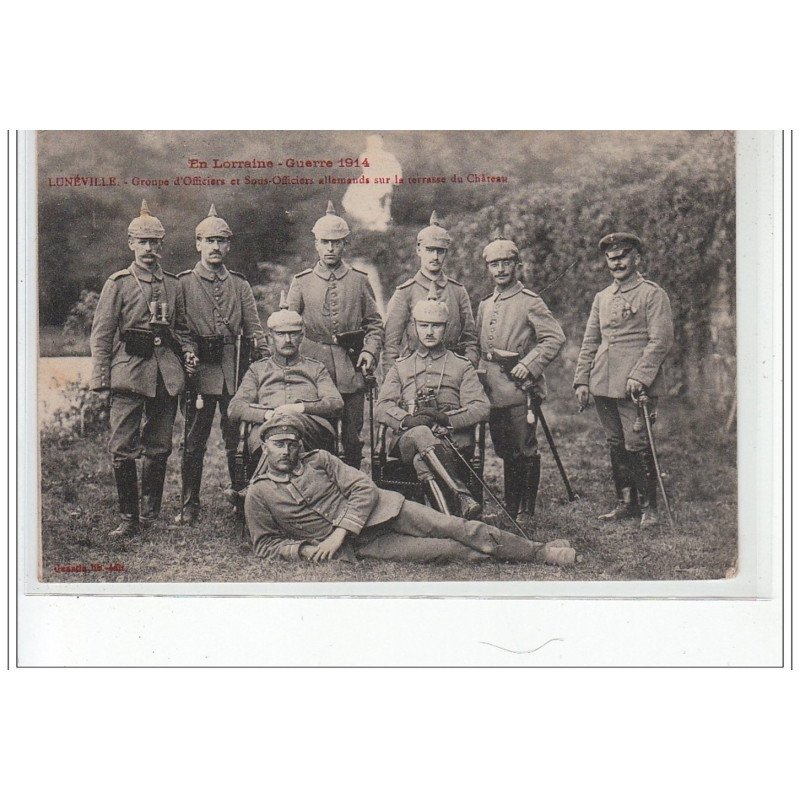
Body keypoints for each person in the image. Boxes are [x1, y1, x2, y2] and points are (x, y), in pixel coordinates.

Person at [244, 413, 576, 565]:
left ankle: (539, 552)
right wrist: (301, 551)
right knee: (448, 551)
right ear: (265, 447)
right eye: (278, 444)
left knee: (457, 526)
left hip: (385, 509)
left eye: (292, 442)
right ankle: (521, 552)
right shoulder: (259, 494)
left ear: (301, 444)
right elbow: (265, 544)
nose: (286, 450)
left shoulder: (320, 460)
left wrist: (336, 535)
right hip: (366, 544)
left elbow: (364, 489)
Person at [90, 200, 195, 537]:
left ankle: (149, 516)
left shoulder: (174, 284)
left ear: (161, 245)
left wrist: (189, 353)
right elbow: (102, 334)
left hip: (165, 374)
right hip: (129, 373)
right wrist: (101, 380)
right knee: (121, 447)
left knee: (159, 445)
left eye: (155, 242)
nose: (149, 248)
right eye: (143, 242)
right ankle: (128, 518)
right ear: (131, 243)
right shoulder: (118, 283)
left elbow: (182, 330)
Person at [175, 205, 269, 524]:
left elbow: (254, 328)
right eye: (209, 240)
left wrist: (265, 361)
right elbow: (179, 328)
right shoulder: (184, 283)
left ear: (229, 245)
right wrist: (188, 351)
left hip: (234, 371)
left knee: (237, 440)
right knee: (194, 441)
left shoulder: (240, 285)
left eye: (221, 240)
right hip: (199, 373)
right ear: (198, 244)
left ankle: (241, 500)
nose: (215, 247)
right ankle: (189, 504)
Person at [573, 232, 674, 528]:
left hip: (634, 386)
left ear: (637, 259)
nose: (617, 262)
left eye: (623, 256)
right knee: (616, 443)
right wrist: (581, 381)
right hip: (603, 381)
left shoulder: (652, 294)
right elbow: (590, 341)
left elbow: (661, 340)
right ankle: (625, 503)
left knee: (637, 442)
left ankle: (649, 509)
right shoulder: (602, 298)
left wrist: (640, 376)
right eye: (611, 258)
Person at [375, 284, 489, 519]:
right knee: (419, 433)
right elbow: (382, 407)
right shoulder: (401, 366)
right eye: (423, 325)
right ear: (414, 327)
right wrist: (408, 420)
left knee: (421, 460)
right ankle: (462, 496)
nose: (429, 332)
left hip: (452, 441)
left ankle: (447, 522)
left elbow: (481, 407)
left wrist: (444, 418)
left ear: (445, 328)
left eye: (436, 326)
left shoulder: (461, 366)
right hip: (408, 439)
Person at [286, 201, 384, 469]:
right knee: (317, 434)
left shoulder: (359, 280)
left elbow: (375, 325)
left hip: (351, 366)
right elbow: (287, 326)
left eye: (336, 242)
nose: (330, 248)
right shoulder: (302, 282)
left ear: (344, 245)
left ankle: (352, 492)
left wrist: (369, 352)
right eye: (325, 242)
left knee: (352, 438)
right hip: (313, 367)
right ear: (316, 244)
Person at [476, 234, 566, 524]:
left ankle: (526, 510)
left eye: (506, 263)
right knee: (504, 448)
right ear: (488, 268)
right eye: (494, 265)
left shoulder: (530, 301)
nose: (500, 270)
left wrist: (530, 365)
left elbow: (554, 337)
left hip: (518, 385)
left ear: (517, 265)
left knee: (524, 447)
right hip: (491, 387)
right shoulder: (485, 304)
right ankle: (510, 506)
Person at [228, 292, 344, 467]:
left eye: (293, 334)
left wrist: (298, 408)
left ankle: (258, 486)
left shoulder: (316, 368)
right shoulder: (257, 369)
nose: (288, 340)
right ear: (271, 336)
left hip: (310, 431)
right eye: (281, 334)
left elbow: (336, 403)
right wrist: (268, 415)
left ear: (302, 335)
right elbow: (235, 408)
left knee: (285, 426)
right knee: (274, 434)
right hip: (266, 427)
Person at [382, 211, 479, 372]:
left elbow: (471, 341)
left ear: (446, 253)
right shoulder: (405, 292)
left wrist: (465, 372)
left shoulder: (458, 292)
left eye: (440, 251)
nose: (435, 256)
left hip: (451, 374)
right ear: (419, 250)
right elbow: (391, 347)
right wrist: (393, 385)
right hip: (414, 373)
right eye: (430, 250)